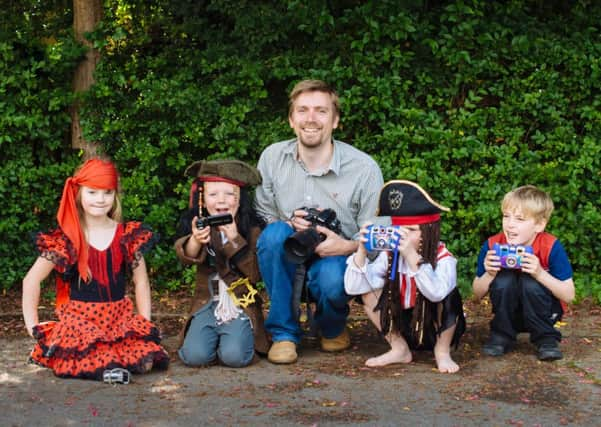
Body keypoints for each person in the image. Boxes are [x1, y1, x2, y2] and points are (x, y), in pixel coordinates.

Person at [255, 79, 384, 364]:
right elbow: (262, 217)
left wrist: (347, 246)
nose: (310, 119)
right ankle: (284, 334)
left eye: (321, 111)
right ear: (291, 119)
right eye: (302, 110)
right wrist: (288, 224)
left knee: (331, 276)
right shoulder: (272, 158)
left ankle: (332, 326)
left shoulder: (363, 168)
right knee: (274, 235)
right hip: (288, 252)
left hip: (337, 257)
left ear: (335, 120)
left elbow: (379, 235)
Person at [22, 157, 169, 381]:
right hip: (81, 322)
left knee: (146, 362)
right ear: (79, 193)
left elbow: (141, 282)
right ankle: (106, 370)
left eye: (107, 193)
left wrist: (144, 324)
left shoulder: (127, 235)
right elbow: (31, 280)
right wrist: (31, 325)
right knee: (81, 359)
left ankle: (110, 368)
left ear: (115, 196)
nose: (101, 199)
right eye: (92, 192)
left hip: (118, 319)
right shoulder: (67, 239)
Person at [345, 180, 465, 373]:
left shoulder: (444, 258)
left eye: (412, 230)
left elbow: (437, 293)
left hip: (434, 329)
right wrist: (361, 251)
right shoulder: (390, 255)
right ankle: (399, 348)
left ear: (429, 231)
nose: (404, 236)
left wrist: (412, 257)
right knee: (368, 291)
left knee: (451, 296)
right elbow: (354, 288)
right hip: (403, 326)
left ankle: (442, 353)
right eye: (399, 229)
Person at [174, 159, 269, 368]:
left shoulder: (252, 229)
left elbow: (255, 274)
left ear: (240, 199)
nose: (221, 200)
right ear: (202, 199)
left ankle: (233, 340)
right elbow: (186, 257)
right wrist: (195, 240)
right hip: (208, 303)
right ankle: (215, 341)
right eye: (213, 194)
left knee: (235, 357)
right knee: (194, 357)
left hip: (240, 303)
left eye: (229, 194)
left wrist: (235, 240)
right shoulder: (200, 225)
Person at [473, 185, 574, 361]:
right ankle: (502, 335)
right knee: (505, 278)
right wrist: (489, 273)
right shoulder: (492, 245)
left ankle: (546, 338)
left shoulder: (550, 246)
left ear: (540, 224)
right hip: (510, 313)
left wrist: (540, 273)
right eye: (506, 216)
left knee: (530, 281)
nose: (510, 224)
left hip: (545, 312)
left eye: (519, 219)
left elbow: (569, 295)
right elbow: (477, 293)